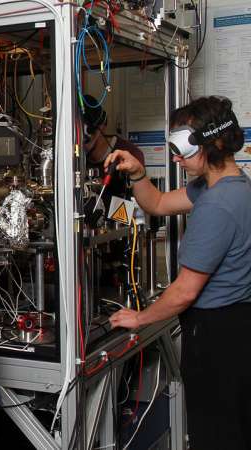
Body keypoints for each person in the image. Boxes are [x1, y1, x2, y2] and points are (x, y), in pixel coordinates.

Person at [107, 96, 251, 450]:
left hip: (217, 337)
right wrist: (138, 173)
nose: (174, 158)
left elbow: (185, 291)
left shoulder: (217, 205)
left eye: (180, 149)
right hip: (235, 327)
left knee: (217, 436)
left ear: (211, 144)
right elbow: (156, 203)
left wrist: (140, 318)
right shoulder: (231, 185)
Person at [81, 94, 145, 203]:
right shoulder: (76, 157)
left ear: (101, 127)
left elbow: (137, 202)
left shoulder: (130, 154)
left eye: (85, 136)